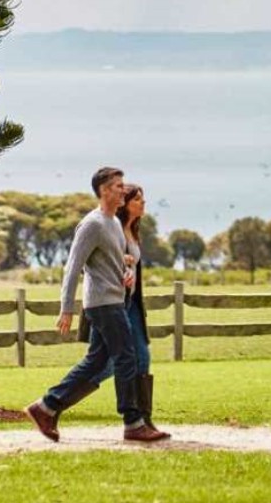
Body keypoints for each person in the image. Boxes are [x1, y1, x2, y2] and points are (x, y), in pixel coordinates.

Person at [25, 167, 169, 443]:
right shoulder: (92, 224)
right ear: (104, 190)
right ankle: (133, 422)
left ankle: (46, 407)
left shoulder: (113, 222)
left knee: (97, 361)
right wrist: (66, 308)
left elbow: (111, 262)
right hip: (103, 304)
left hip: (115, 298)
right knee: (127, 357)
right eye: (117, 186)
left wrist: (125, 272)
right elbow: (73, 267)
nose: (122, 190)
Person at [82, 183, 158, 428]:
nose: (143, 203)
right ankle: (55, 402)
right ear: (126, 203)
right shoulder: (111, 228)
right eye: (137, 199)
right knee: (106, 364)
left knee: (141, 358)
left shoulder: (133, 230)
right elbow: (97, 264)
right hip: (112, 303)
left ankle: (143, 419)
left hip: (131, 304)